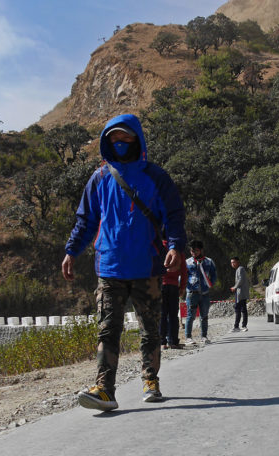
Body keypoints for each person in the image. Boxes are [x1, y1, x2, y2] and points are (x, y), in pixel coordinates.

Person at [62, 113, 186, 411]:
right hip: (110, 267)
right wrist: (71, 251)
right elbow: (86, 221)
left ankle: (150, 380)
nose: (119, 142)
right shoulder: (100, 178)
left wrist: (177, 245)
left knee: (150, 330)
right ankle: (105, 390)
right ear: (107, 142)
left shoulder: (156, 176)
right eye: (113, 138)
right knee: (108, 330)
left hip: (148, 266)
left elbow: (173, 214)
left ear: (137, 139)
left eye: (125, 137)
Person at [184, 240, 216, 344]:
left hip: (205, 294)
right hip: (192, 293)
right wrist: (185, 286)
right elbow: (182, 277)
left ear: (201, 250)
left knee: (204, 316)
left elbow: (214, 275)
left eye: (196, 251)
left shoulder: (209, 261)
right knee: (190, 316)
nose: (194, 253)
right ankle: (188, 337)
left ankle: (204, 336)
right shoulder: (187, 262)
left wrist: (211, 284)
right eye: (192, 251)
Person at [160, 239, 188, 349]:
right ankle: (173, 342)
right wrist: (182, 287)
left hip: (160, 285)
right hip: (174, 286)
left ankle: (162, 342)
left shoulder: (158, 247)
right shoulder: (178, 250)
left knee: (162, 314)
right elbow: (184, 271)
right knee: (173, 314)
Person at [229, 256, 249, 332]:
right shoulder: (238, 269)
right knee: (240, 309)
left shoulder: (240, 269)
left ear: (238, 262)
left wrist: (234, 287)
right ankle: (238, 326)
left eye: (234, 262)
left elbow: (241, 279)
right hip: (239, 293)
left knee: (241, 309)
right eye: (231, 263)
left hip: (241, 293)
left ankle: (241, 326)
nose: (232, 264)